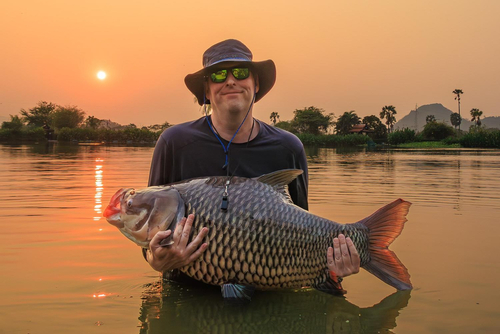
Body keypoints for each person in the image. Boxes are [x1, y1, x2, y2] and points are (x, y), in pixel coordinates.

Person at [144, 39, 360, 293]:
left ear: (255, 83)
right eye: (219, 74)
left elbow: (303, 232)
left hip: (268, 299)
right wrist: (154, 260)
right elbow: (149, 236)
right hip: (187, 295)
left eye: (240, 72)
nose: (231, 80)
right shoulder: (173, 143)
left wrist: (334, 266)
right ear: (206, 89)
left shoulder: (288, 148)